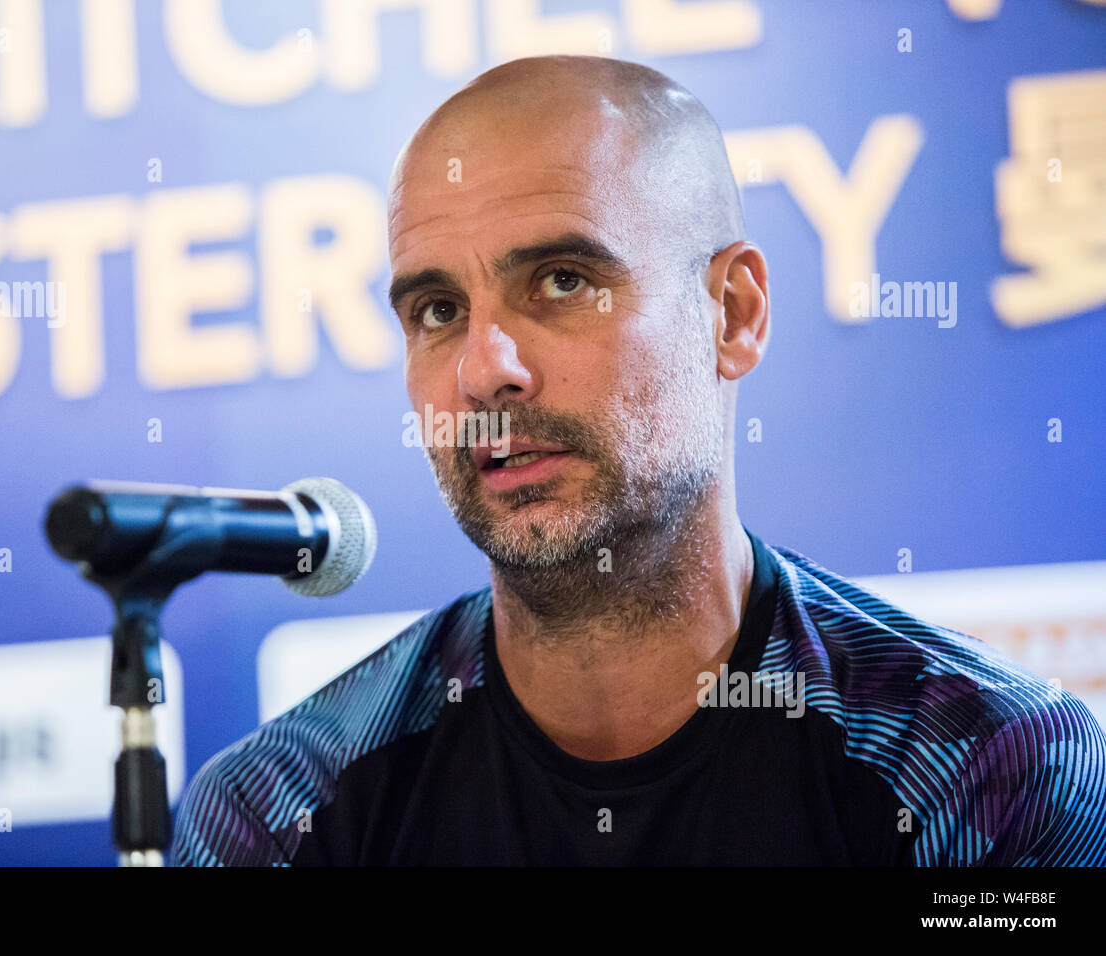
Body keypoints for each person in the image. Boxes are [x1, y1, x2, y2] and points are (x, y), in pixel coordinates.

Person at [172, 55, 1106, 865]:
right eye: (438, 310)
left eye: (564, 281)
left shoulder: (982, 765)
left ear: (733, 314)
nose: (485, 369)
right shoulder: (281, 808)